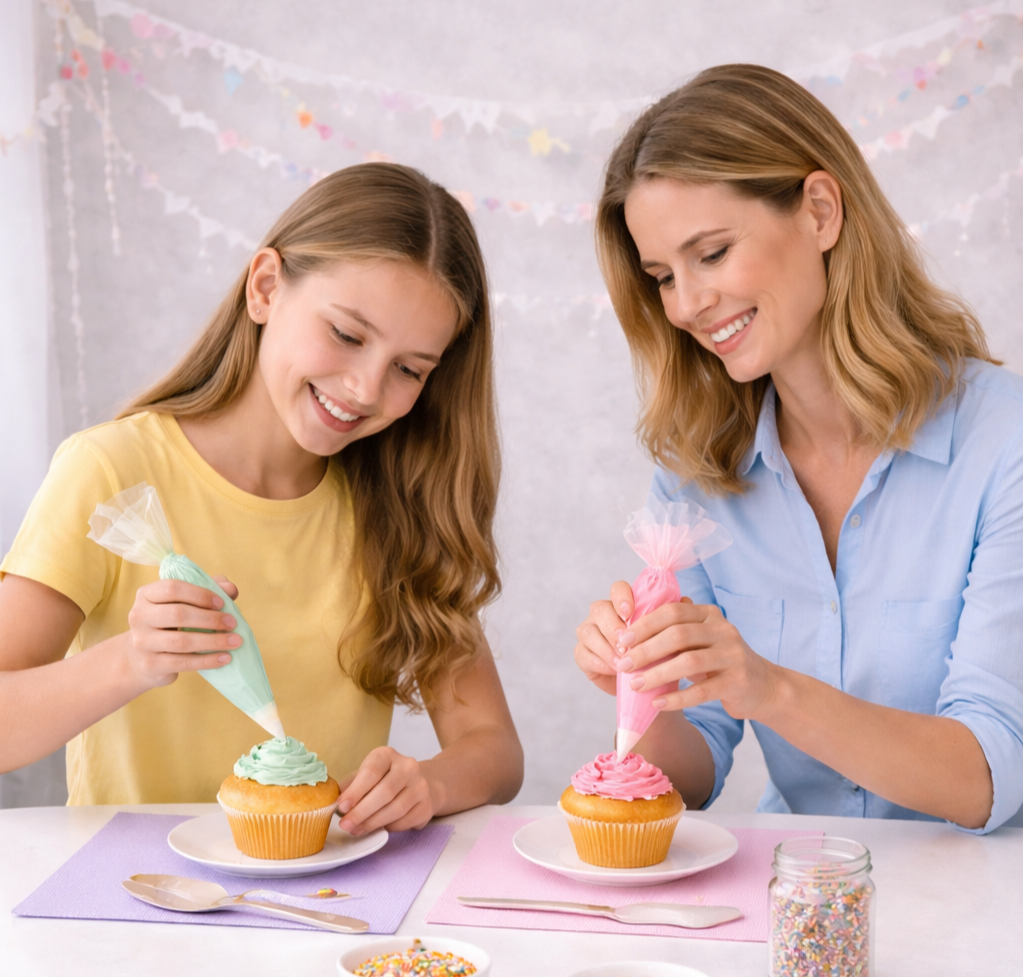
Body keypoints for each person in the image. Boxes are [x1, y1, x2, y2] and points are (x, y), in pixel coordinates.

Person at [0, 163, 523, 832]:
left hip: (328, 902)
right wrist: (132, 660)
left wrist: (427, 783)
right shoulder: (110, 472)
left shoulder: (397, 505)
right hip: (140, 906)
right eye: (346, 334)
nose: (365, 388)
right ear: (266, 287)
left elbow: (494, 749)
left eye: (408, 369)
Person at [575, 64, 1023, 833]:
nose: (685, 304)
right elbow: (696, 766)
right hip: (798, 893)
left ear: (818, 212)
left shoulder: (1002, 443)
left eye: (710, 253)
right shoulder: (695, 469)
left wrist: (769, 687)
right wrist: (640, 688)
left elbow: (987, 774)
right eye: (661, 276)